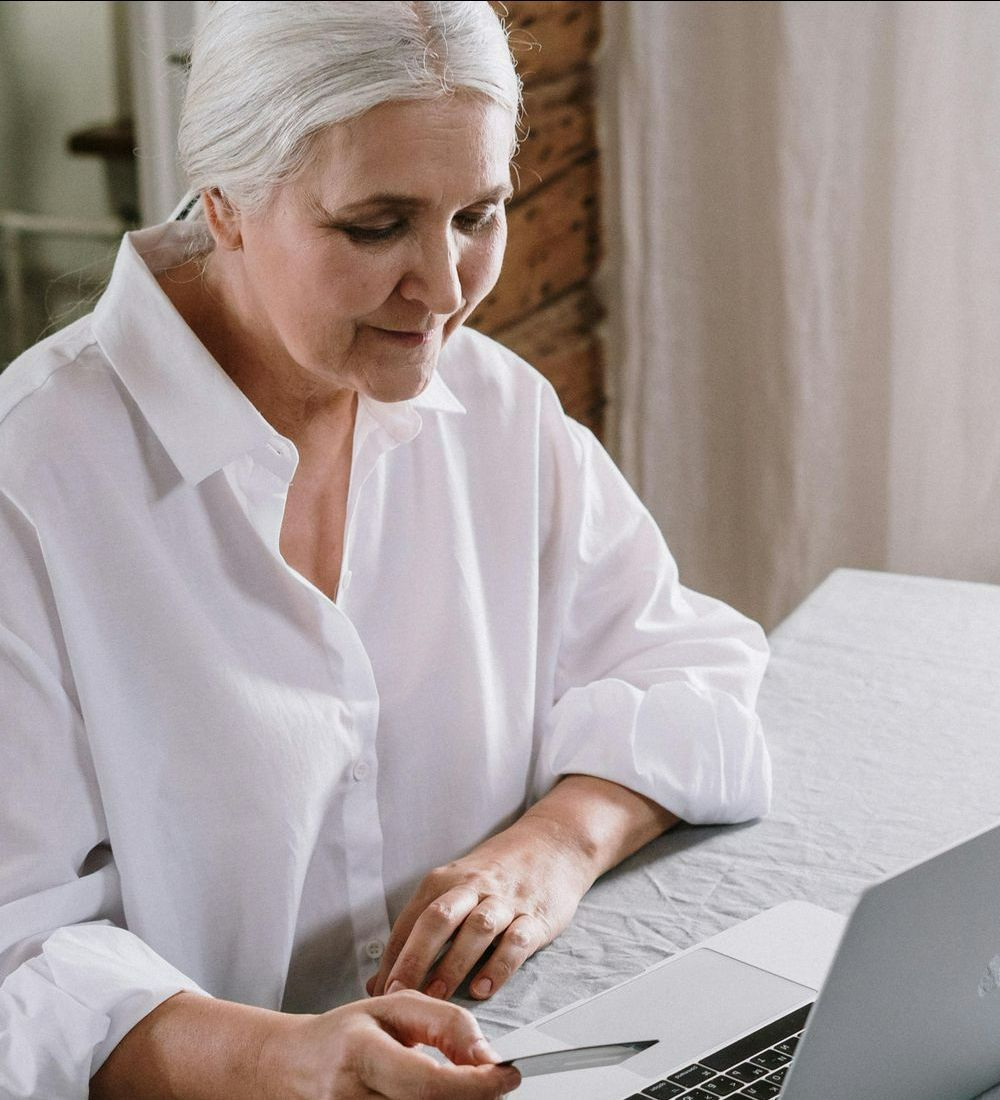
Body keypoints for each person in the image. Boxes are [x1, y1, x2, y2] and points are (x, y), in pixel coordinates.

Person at [0, 3, 772, 1098]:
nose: (447, 289)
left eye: (479, 213)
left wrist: (551, 844)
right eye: (376, 225)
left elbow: (691, 666)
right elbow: (14, 961)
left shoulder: (499, 411)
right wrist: (292, 1060)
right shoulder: (29, 491)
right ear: (223, 203)